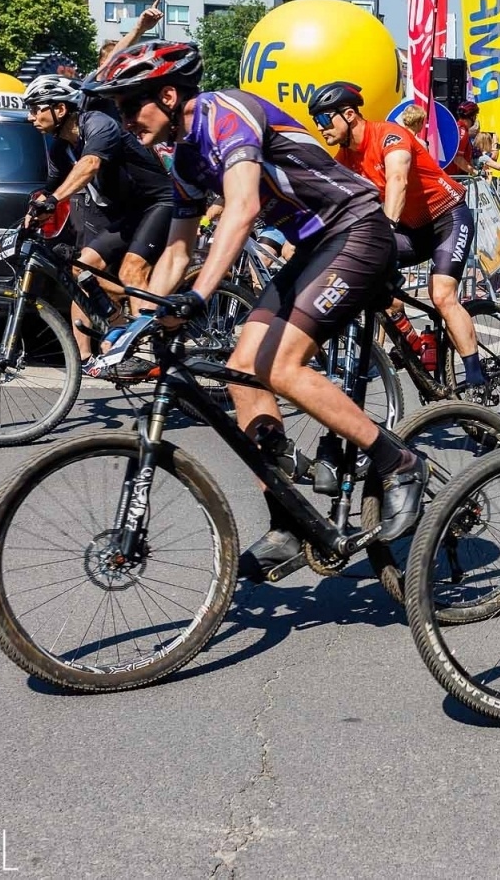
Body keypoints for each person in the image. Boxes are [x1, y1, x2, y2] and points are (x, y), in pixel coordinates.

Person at [83, 41, 427, 583]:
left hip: (357, 229)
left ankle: (398, 461)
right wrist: (142, 320)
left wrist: (198, 298)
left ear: (169, 95)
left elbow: (241, 209)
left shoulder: (225, 114)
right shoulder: (183, 158)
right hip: (315, 246)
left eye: (132, 107)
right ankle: (289, 522)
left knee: (280, 364)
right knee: (241, 369)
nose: (125, 121)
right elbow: (177, 249)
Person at [307, 81, 486, 394]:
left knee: (442, 295)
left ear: (349, 115)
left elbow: (398, 180)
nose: (320, 127)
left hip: (447, 217)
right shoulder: (345, 158)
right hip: (412, 231)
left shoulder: (390, 135)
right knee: (370, 281)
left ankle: (476, 376)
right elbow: (329, 201)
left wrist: (386, 228)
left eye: (323, 119)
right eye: (315, 122)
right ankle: (417, 345)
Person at [21, 73, 175, 368]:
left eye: (35, 108)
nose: (31, 118)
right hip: (129, 214)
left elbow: (89, 166)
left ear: (60, 109)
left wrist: (55, 202)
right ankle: (127, 324)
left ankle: (144, 354)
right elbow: (50, 189)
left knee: (132, 271)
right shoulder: (60, 147)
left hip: (160, 203)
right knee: (84, 271)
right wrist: (23, 223)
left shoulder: (98, 124)